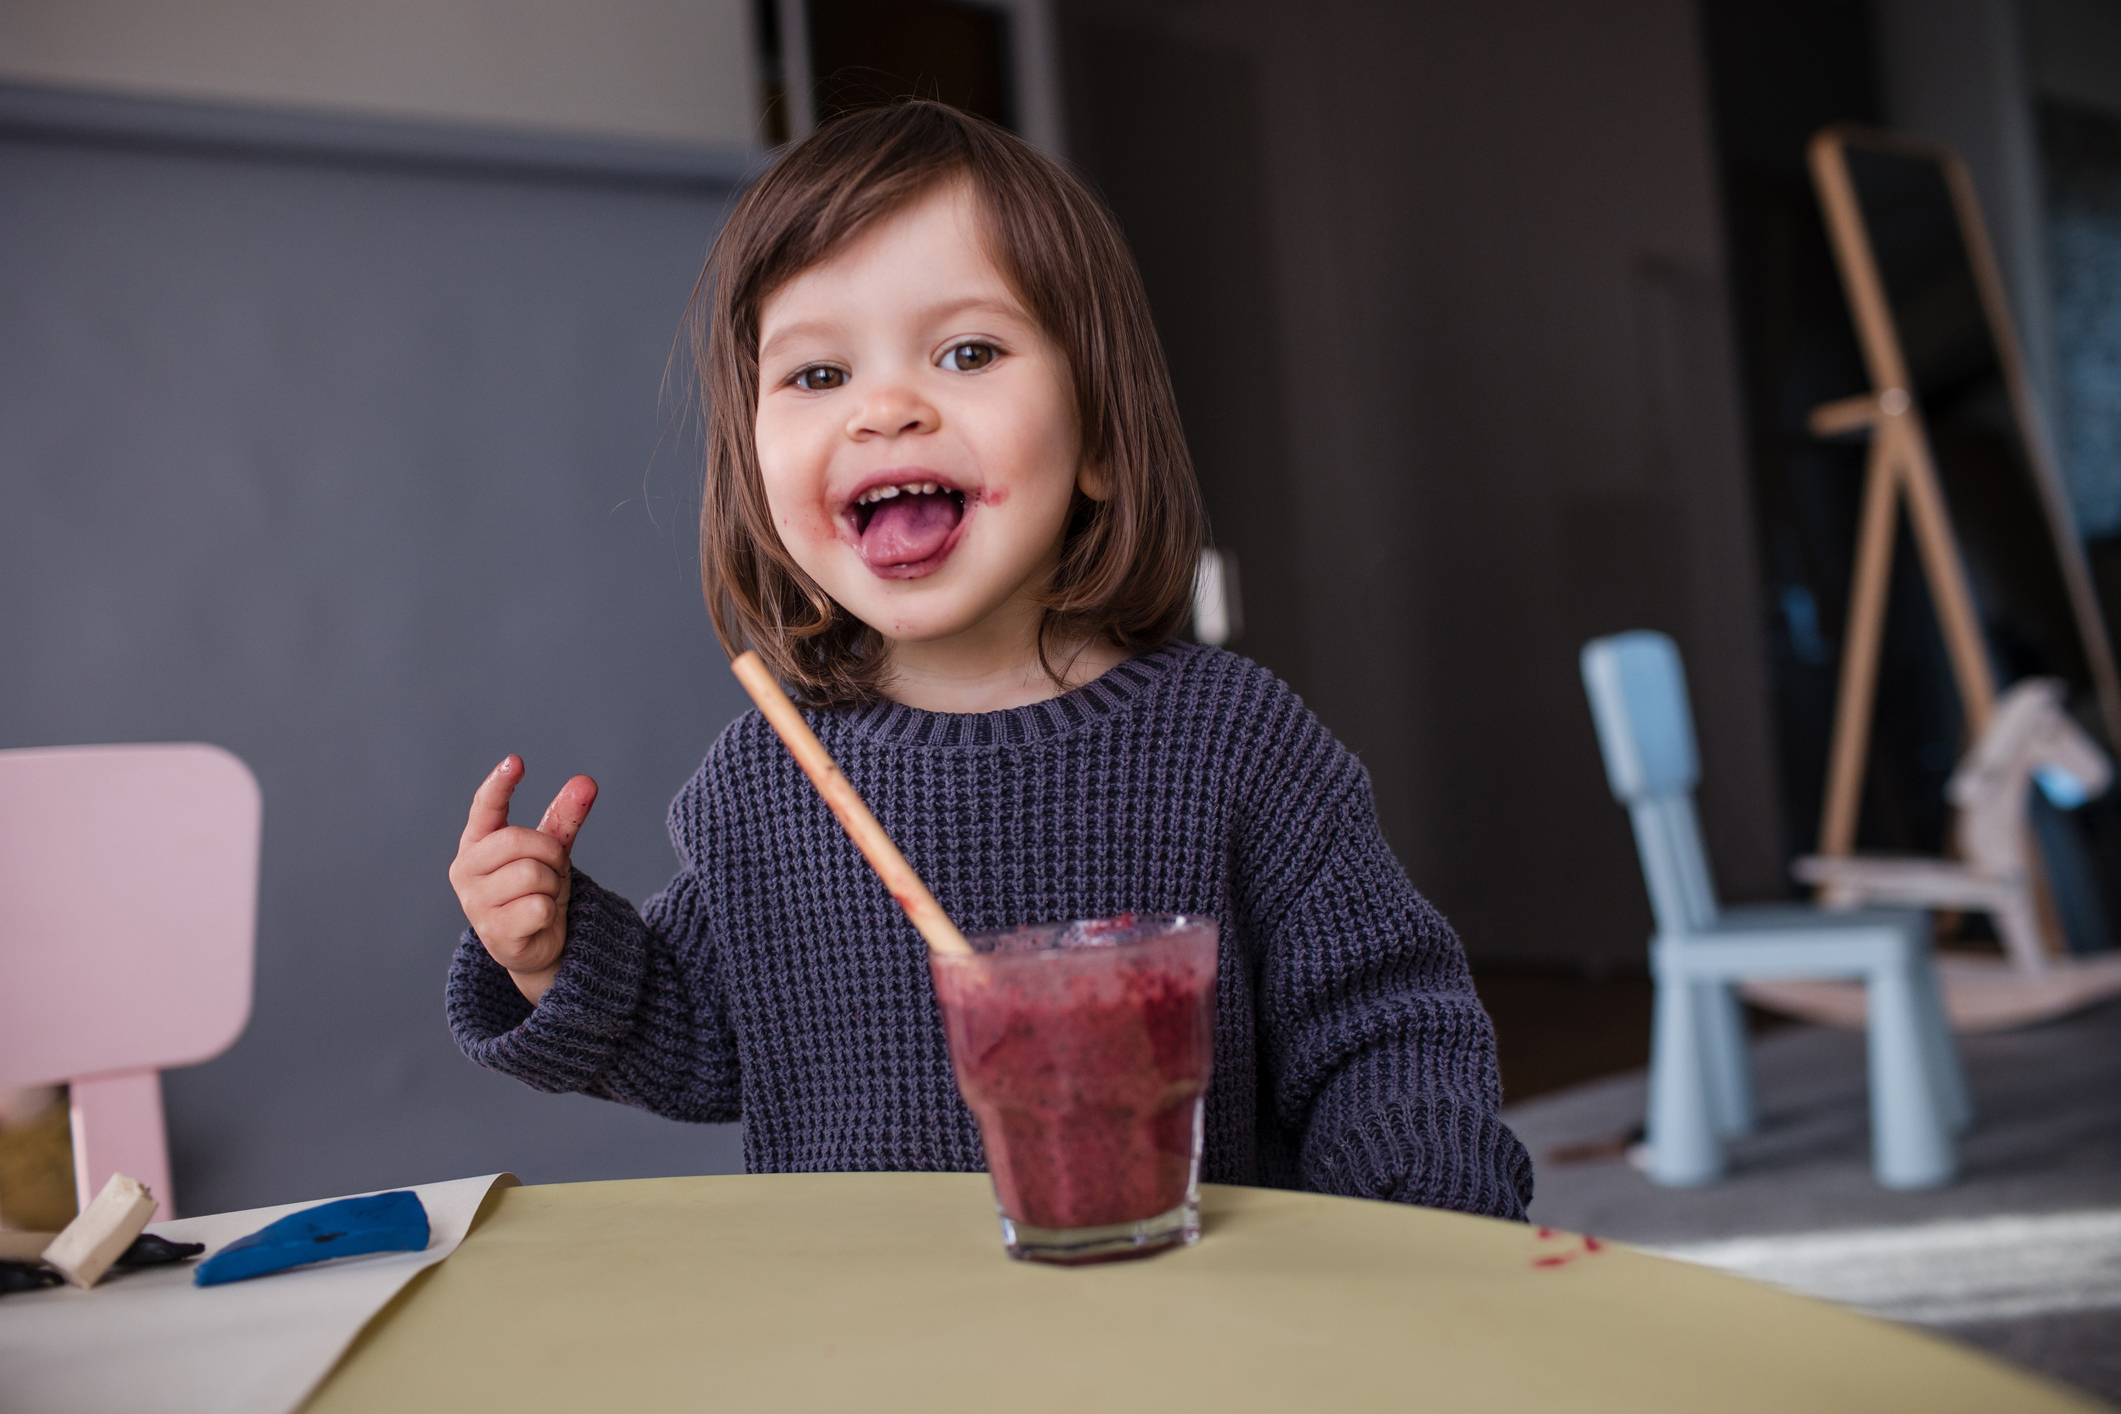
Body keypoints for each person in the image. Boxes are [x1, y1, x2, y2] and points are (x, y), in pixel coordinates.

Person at [446, 100, 1533, 1220]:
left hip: (1175, 1323)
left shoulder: (1235, 742)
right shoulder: (766, 779)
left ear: (1102, 436)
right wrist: (551, 949)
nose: (885, 409)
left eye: (967, 351)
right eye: (817, 375)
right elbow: (704, 1037)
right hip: (873, 1342)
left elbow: (1383, 1029)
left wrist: (1427, 1223)